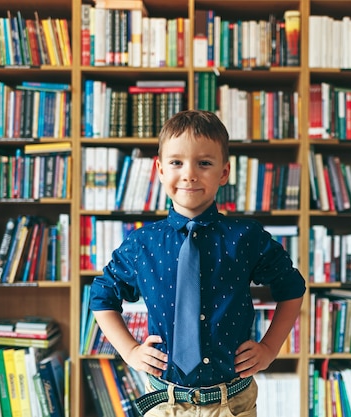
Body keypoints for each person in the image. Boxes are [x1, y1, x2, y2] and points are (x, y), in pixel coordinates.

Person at [90, 109, 305, 416]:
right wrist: (130, 350)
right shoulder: (142, 243)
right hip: (164, 402)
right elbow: (101, 296)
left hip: (233, 403)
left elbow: (291, 287)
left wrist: (270, 348)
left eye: (204, 163)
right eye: (177, 162)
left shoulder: (245, 237)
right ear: (160, 169)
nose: (189, 174)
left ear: (224, 172)